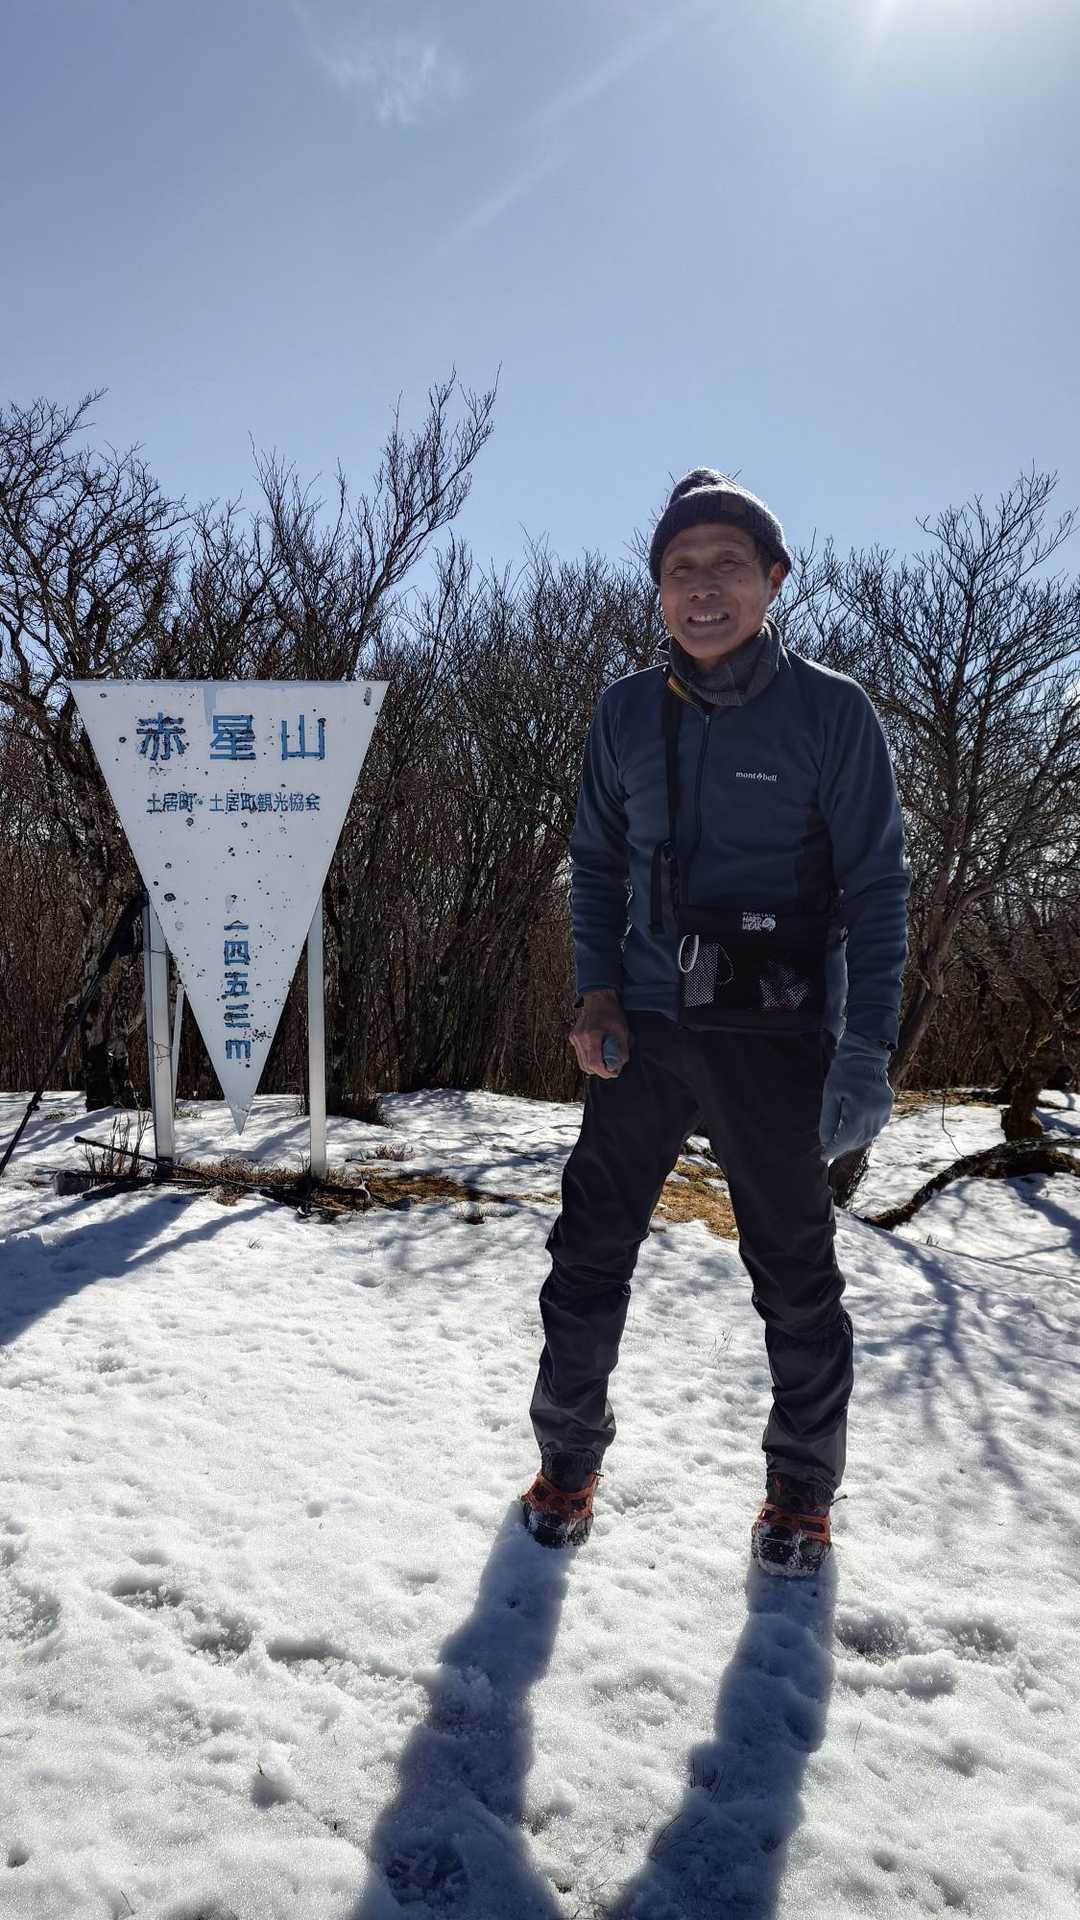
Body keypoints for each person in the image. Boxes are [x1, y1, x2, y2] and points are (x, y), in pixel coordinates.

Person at [520, 470, 909, 1577]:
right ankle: (567, 1461)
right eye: (679, 569)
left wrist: (866, 1052)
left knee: (794, 1273)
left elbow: (879, 887)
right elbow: (595, 864)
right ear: (656, 591)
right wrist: (595, 992)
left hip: (779, 1033)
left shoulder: (832, 712)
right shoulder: (623, 712)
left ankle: (801, 1493)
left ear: (773, 579)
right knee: (587, 1251)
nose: (702, 588)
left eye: (726, 565)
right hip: (645, 1024)